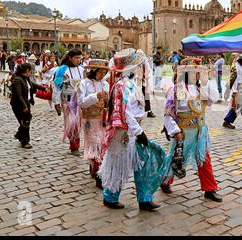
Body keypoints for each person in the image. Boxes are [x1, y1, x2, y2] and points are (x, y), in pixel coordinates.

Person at [99, 48, 169, 210]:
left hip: (132, 131)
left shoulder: (128, 84)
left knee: (142, 162)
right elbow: (125, 112)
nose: (142, 68)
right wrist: (139, 132)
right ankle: (110, 197)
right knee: (118, 164)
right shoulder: (123, 86)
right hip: (123, 133)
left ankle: (144, 198)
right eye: (139, 65)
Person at [160, 57, 222, 202]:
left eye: (199, 72)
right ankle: (164, 181)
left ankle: (209, 188)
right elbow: (169, 113)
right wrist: (175, 131)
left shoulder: (201, 88)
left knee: (204, 159)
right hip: (183, 133)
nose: (198, 75)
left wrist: (207, 83)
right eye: (195, 72)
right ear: (186, 73)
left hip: (200, 132)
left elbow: (214, 99)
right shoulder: (179, 89)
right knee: (175, 157)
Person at [77, 59, 109, 189]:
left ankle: (97, 169)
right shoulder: (84, 83)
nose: (102, 74)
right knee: (94, 143)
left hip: (102, 118)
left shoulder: (105, 84)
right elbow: (81, 102)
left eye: (104, 72)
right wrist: (96, 96)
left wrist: (106, 99)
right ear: (94, 71)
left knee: (102, 144)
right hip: (89, 120)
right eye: (100, 71)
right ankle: (98, 173)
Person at [53, 49, 85, 156]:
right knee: (71, 124)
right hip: (67, 102)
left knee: (79, 124)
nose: (78, 60)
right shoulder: (62, 70)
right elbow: (57, 87)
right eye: (76, 58)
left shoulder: (82, 69)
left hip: (80, 102)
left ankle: (77, 144)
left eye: (80, 58)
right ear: (70, 58)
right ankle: (74, 146)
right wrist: (56, 102)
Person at [10, 63, 49, 149]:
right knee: (25, 122)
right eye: (30, 71)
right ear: (27, 71)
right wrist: (24, 107)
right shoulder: (17, 80)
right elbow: (18, 95)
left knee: (26, 120)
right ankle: (25, 141)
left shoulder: (25, 78)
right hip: (18, 104)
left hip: (26, 102)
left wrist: (44, 88)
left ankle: (19, 134)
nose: (31, 72)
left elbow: (32, 85)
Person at [223, 54, 242, 130]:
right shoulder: (236, 66)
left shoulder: (240, 66)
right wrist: (234, 91)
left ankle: (227, 121)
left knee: (238, 107)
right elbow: (233, 79)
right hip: (238, 88)